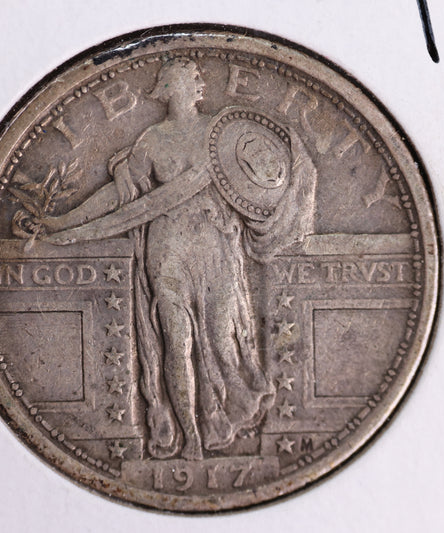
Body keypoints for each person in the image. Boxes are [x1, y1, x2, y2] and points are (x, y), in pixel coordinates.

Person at [38, 58, 317, 460]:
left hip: (216, 248)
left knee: (222, 339)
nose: (201, 80)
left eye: (199, 76)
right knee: (177, 341)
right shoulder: (151, 140)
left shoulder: (223, 133)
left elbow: (263, 178)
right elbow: (119, 198)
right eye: (192, 77)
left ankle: (224, 416)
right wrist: (64, 221)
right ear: (171, 88)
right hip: (167, 248)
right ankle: (191, 438)